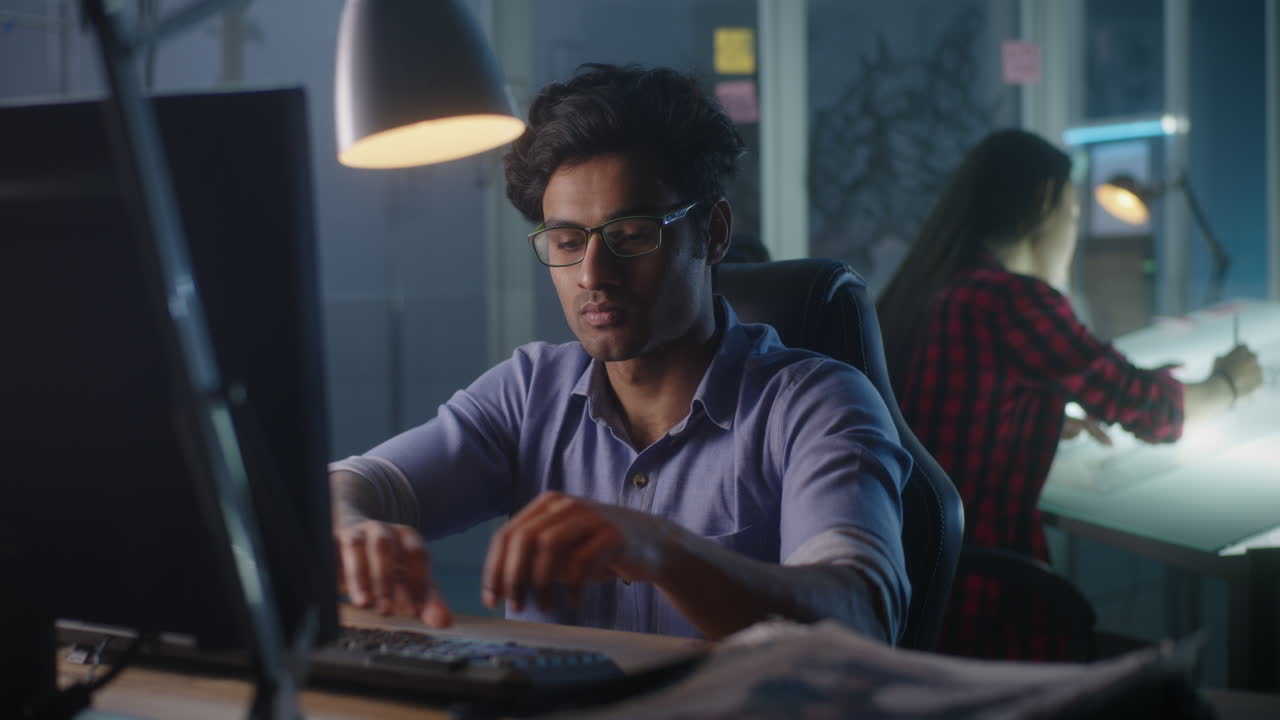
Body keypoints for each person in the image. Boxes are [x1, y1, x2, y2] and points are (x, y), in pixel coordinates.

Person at [328, 64, 913, 643]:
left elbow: (860, 613)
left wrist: (663, 550)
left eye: (630, 235)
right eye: (565, 240)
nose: (591, 274)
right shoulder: (530, 392)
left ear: (712, 233)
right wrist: (352, 528)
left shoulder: (817, 405)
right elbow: (354, 485)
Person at [876, 128, 1263, 660]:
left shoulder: (949, 286)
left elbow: (948, 403)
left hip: (915, 590)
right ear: (1041, 209)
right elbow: (1149, 409)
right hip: (979, 608)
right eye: (1074, 216)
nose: (1076, 232)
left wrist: (1039, 418)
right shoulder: (1011, 300)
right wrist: (1227, 384)